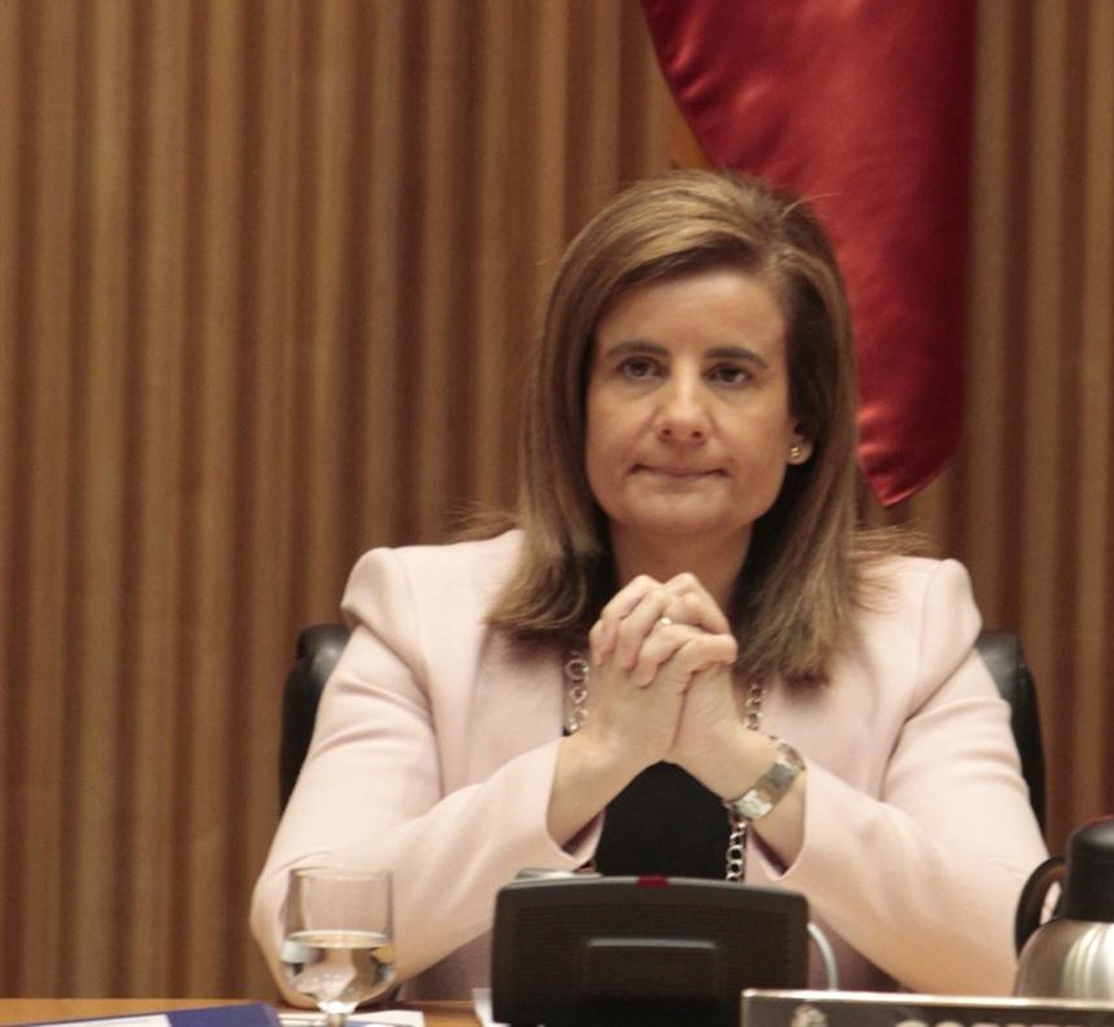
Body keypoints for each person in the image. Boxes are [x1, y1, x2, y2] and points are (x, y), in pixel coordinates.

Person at [251, 170, 1046, 998]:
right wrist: (592, 762)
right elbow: (310, 949)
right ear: (577, 406)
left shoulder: (913, 630)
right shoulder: (425, 615)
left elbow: (1017, 961)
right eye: (638, 368)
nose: (681, 417)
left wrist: (743, 763)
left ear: (801, 423)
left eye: (731, 374)